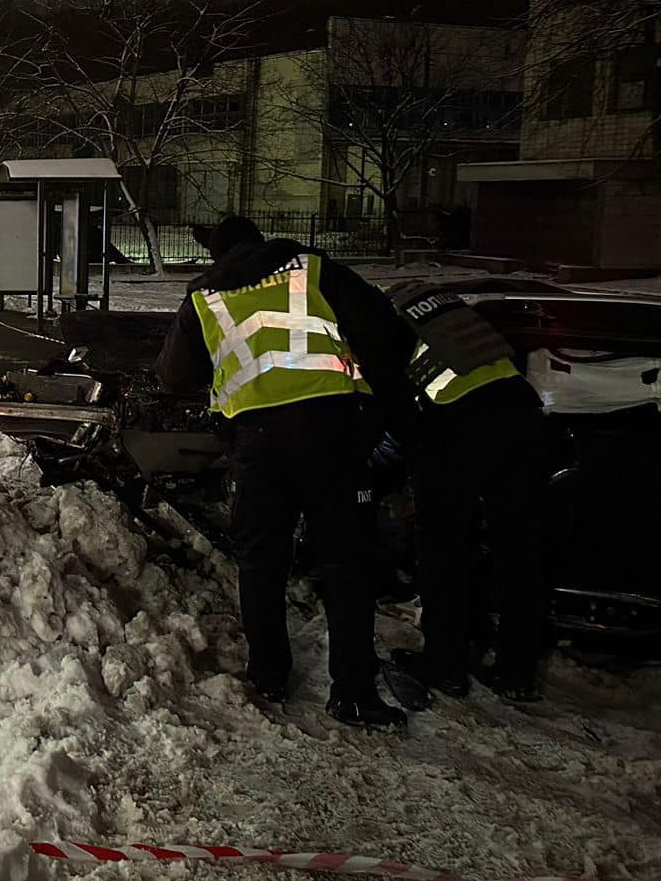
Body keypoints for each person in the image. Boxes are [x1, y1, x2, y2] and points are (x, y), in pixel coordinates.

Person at [156, 215, 414, 727]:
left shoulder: (205, 296)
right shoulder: (315, 270)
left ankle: (269, 675)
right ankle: (354, 693)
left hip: (258, 445)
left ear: (220, 254)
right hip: (335, 436)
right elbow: (389, 334)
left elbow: (173, 375)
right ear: (260, 242)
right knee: (346, 563)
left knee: (261, 561)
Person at [386, 282, 547, 702]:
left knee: (443, 550)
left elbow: (393, 401)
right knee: (518, 550)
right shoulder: (450, 309)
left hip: (458, 426)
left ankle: (445, 667)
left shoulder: (390, 322)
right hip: (522, 416)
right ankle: (517, 672)